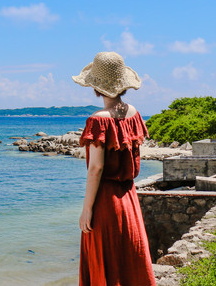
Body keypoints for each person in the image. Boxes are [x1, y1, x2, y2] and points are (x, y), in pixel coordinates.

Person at [73, 51, 156, 286]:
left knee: (104, 260)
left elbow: (96, 169)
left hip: (106, 201)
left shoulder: (98, 120)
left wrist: (87, 209)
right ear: (123, 85)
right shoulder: (134, 114)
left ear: (96, 87)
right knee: (128, 259)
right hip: (128, 197)